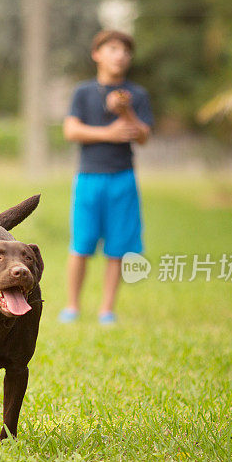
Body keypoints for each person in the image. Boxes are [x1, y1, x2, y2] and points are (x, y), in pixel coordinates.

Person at [59, 30, 154, 325]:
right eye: (113, 48)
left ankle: (106, 310)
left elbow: (143, 137)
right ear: (97, 54)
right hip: (88, 178)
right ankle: (72, 306)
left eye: (125, 51)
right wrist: (108, 133)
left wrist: (125, 112)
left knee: (117, 248)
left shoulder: (137, 95)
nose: (120, 55)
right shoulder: (83, 92)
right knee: (81, 245)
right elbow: (70, 131)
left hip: (123, 179)